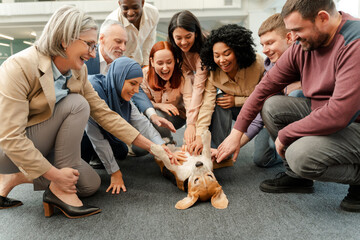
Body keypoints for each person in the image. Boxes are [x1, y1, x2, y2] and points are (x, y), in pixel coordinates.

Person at [0, 5, 173, 218]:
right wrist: (55, 175)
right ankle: (54, 187)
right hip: (8, 150)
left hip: (46, 144)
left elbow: (104, 114)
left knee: (90, 185)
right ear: (65, 40)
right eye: (89, 45)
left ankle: (14, 177)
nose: (93, 54)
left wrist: (154, 147)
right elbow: (10, 137)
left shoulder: (77, 71)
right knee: (78, 104)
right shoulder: (18, 67)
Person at [217, 0, 360, 212]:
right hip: (329, 115)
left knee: (299, 156)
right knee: (272, 106)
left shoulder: (354, 43)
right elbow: (264, 88)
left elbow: (339, 114)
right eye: (291, 30)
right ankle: (298, 179)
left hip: (352, 121)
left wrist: (286, 134)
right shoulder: (303, 45)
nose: (292, 37)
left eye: (298, 30)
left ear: (323, 17)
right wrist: (236, 133)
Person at [82, 19, 175, 167]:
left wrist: (153, 115)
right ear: (101, 39)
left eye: (125, 43)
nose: (123, 48)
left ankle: (109, 151)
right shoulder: (84, 61)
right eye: (118, 41)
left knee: (123, 150)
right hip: (86, 122)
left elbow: (134, 94)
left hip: (113, 118)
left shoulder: (122, 64)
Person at [86, 57, 182, 194]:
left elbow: (142, 123)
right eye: (133, 84)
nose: (136, 90)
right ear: (119, 78)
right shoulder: (93, 90)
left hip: (103, 136)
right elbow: (98, 139)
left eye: (138, 85)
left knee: (122, 152)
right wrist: (115, 173)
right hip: (82, 140)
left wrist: (163, 147)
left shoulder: (120, 94)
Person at [189, 24, 264, 159]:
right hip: (237, 111)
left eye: (227, 53)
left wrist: (237, 101)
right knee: (220, 100)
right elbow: (207, 105)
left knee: (262, 158)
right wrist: (200, 135)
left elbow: (266, 97)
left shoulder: (258, 64)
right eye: (216, 55)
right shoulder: (213, 73)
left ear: (238, 51)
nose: (221, 60)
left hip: (260, 113)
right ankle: (219, 148)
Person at [251, 13, 302, 168]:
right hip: (280, 118)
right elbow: (258, 101)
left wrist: (302, 84)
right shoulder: (271, 67)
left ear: (289, 38)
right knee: (260, 158)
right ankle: (287, 154)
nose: (265, 50)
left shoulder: (306, 57)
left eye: (270, 43)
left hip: (314, 118)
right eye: (262, 45)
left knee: (296, 94)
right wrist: (234, 143)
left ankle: (300, 162)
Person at [167, 10, 208, 149]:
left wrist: (191, 124)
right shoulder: (176, 51)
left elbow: (198, 87)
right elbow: (188, 88)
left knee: (205, 108)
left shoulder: (203, 51)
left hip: (212, 84)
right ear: (172, 36)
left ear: (196, 33)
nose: (183, 42)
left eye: (188, 36)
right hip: (193, 85)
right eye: (178, 38)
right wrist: (190, 123)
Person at [141, 41, 192, 143]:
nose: (165, 68)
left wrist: (191, 127)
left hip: (178, 116)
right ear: (152, 62)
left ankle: (169, 143)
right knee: (139, 150)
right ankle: (165, 140)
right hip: (154, 115)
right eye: (160, 63)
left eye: (169, 62)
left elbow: (190, 103)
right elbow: (143, 102)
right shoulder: (144, 74)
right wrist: (158, 105)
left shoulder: (183, 76)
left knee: (159, 115)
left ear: (175, 61)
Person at [106, 0, 159, 66]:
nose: (130, 13)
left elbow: (149, 41)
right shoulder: (112, 22)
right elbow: (108, 53)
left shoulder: (152, 13)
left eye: (135, 7)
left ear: (142, 2)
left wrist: (147, 65)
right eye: (125, 8)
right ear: (119, 4)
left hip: (138, 61)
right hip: (117, 64)